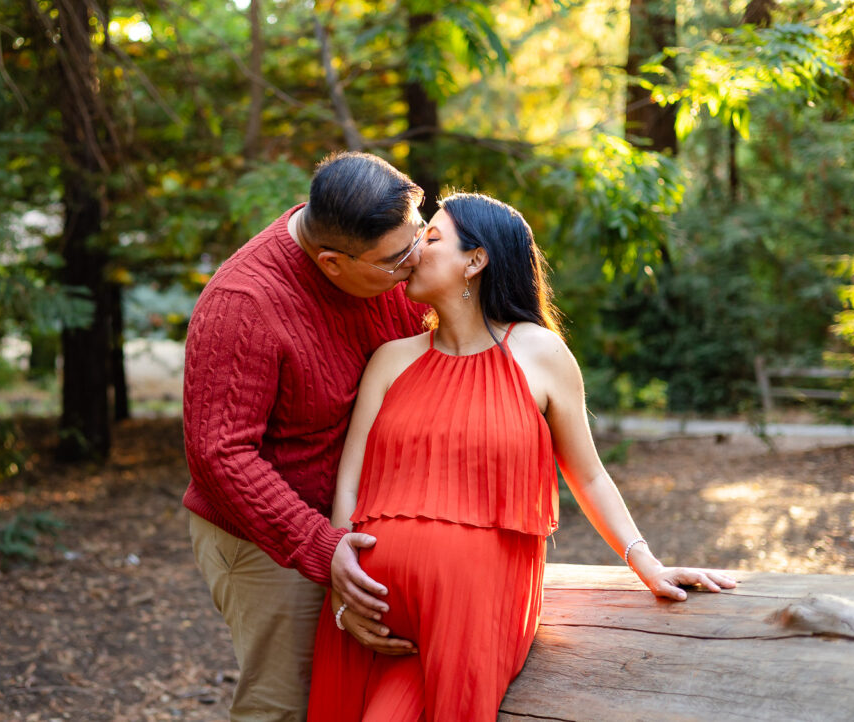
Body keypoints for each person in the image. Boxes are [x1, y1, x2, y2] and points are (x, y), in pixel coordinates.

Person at [307, 192, 737, 721]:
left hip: (474, 610)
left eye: (432, 238)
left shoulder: (541, 354)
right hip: (368, 614)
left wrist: (645, 562)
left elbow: (588, 474)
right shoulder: (390, 360)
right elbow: (349, 487)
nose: (415, 250)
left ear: (476, 259)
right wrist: (342, 588)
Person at [182, 151, 430, 721]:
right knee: (287, 703)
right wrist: (321, 546)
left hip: (359, 520)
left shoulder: (385, 251)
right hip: (268, 537)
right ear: (332, 263)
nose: (416, 262)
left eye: (419, 233)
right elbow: (219, 455)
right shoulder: (242, 305)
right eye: (397, 260)